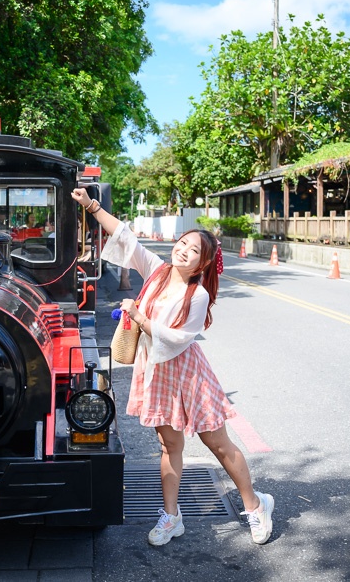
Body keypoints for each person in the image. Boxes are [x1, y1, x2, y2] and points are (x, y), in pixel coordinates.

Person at [71, 187, 274, 547]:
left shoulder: (199, 295)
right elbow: (125, 237)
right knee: (169, 447)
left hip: (188, 373)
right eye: (182, 243)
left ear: (204, 262)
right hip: (155, 371)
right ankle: (171, 516)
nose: (183, 250)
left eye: (193, 250)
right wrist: (92, 206)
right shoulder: (158, 271)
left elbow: (179, 338)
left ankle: (256, 506)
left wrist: (139, 317)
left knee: (219, 444)